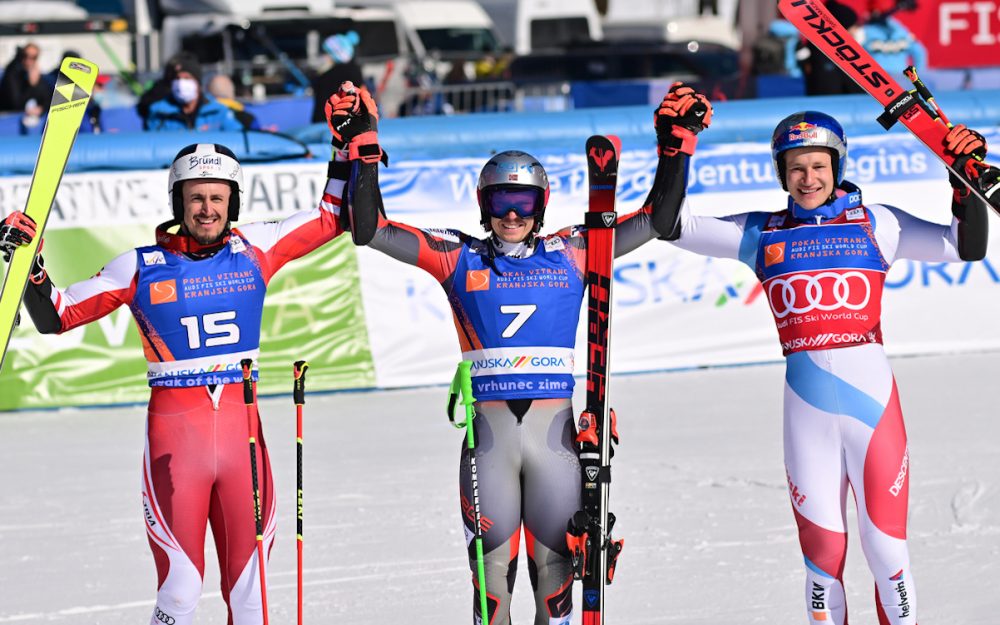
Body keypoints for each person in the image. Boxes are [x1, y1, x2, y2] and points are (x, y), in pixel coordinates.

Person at [323, 82, 712, 625]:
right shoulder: (456, 256)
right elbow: (371, 231)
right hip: (490, 443)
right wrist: (362, 147)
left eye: (523, 202)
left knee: (556, 585)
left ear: (541, 206)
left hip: (556, 441)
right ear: (485, 206)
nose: (512, 215)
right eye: (502, 203)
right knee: (491, 592)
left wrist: (677, 148)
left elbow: (659, 222)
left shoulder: (575, 250)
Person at [654, 97, 991, 624]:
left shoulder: (878, 224)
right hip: (806, 414)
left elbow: (963, 247)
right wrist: (677, 148)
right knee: (822, 560)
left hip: (874, 410)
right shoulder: (760, 232)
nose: (808, 178)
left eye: (818, 166)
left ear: (837, 167)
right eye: (795, 169)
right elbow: (670, 223)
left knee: (886, 553)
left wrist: (961, 181)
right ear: (781, 174)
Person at [0, 143, 351, 625]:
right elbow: (57, 316)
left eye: (217, 198)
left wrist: (344, 150)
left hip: (241, 440)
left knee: (251, 597)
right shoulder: (140, 265)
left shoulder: (256, 249)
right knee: (181, 590)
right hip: (175, 440)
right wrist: (32, 268)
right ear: (177, 201)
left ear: (233, 202)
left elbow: (331, 217)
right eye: (195, 198)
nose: (207, 209)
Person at [144, 55, 243, 132]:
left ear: (198, 83)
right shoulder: (159, 113)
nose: (181, 83)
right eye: (177, 79)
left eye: (187, 78)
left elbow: (237, 137)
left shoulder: (218, 110)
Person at [796, 0, 864, 95]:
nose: (857, 30)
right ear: (843, 28)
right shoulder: (816, 51)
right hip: (826, 105)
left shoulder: (853, 53)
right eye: (854, 26)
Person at [310, 31, 364, 124]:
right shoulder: (354, 70)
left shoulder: (329, 75)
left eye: (326, 53)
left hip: (329, 124)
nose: (323, 56)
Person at [0, 43, 51, 130]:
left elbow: (47, 100)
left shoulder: (38, 77)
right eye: (25, 56)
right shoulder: (12, 74)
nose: (28, 60)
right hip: (9, 125)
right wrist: (32, 85)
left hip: (32, 128)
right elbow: (14, 103)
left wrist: (41, 109)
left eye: (33, 57)